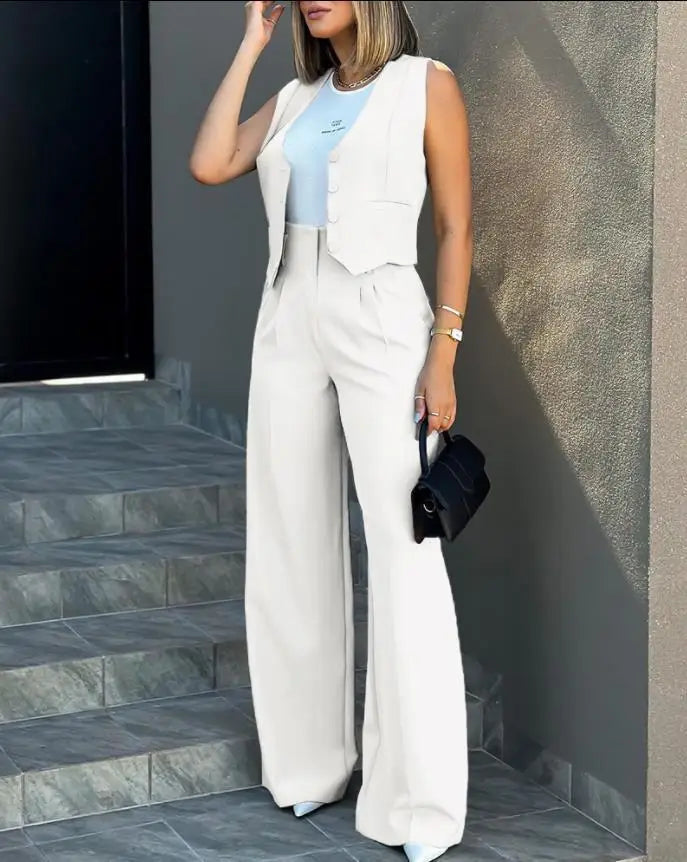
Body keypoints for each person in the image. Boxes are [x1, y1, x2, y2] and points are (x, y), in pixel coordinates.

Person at [190, 2, 473, 860]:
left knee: (403, 549)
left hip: (381, 317)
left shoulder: (424, 85)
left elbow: (455, 226)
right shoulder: (295, 98)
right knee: (289, 539)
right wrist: (251, 45)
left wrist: (443, 353)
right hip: (288, 315)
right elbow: (210, 162)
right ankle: (309, 764)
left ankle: (417, 805)